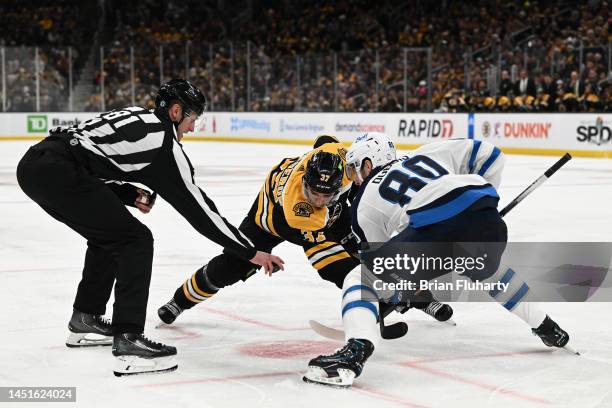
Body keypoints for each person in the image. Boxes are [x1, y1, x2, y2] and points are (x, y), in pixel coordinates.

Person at [16, 78, 284, 376]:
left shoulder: (137, 114)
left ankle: (85, 318)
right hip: (60, 170)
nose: (192, 128)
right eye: (193, 118)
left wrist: (130, 194)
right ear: (176, 111)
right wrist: (250, 252)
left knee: (109, 234)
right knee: (136, 240)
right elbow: (202, 213)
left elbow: (88, 154)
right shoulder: (166, 145)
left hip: (36, 163)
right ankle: (129, 339)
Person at [303, 133, 573, 388]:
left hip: (431, 231)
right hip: (484, 216)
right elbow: (491, 155)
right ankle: (548, 327)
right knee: (492, 274)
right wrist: (477, 209)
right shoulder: (427, 153)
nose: (355, 179)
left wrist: (399, 291)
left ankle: (355, 351)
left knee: (360, 277)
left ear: (368, 161)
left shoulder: (363, 202)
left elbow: (381, 261)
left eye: (355, 169)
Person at [158, 134, 453, 327]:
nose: (321, 198)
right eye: (316, 193)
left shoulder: (343, 159)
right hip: (271, 221)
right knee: (230, 268)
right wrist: (353, 240)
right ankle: (179, 300)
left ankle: (416, 295)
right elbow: (321, 229)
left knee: (367, 247)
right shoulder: (299, 205)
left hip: (326, 215)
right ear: (306, 184)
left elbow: (325, 141)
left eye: (328, 193)